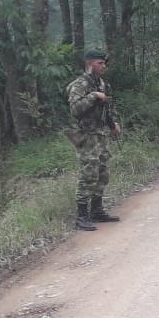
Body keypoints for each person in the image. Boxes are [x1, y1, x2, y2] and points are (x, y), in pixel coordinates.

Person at [64, 49, 122, 231]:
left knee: (103, 172)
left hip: (101, 134)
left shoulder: (102, 84)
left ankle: (97, 210)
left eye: (104, 63)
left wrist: (113, 124)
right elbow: (75, 110)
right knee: (88, 173)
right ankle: (81, 216)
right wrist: (93, 96)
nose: (103, 66)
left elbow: (106, 109)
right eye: (100, 63)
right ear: (90, 63)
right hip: (87, 135)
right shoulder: (79, 85)